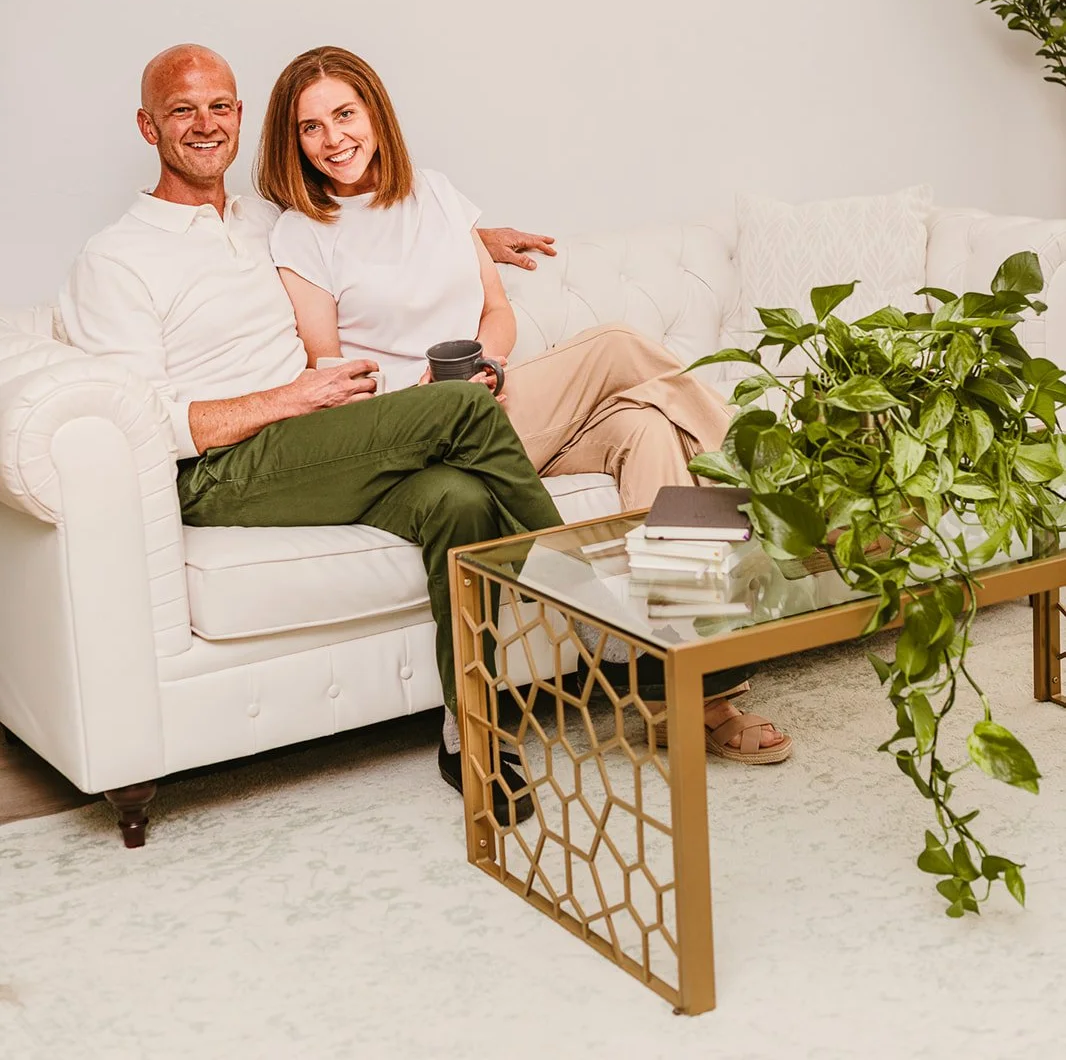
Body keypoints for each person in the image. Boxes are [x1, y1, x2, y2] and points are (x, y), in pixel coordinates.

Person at [59, 44, 571, 822]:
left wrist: (479, 237)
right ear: (147, 126)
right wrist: (287, 398)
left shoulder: (263, 221)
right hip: (221, 470)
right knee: (462, 405)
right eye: (181, 111)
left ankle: (472, 731)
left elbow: (363, 232)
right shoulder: (116, 258)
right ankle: (588, 597)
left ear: (240, 116)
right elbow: (142, 424)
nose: (204, 125)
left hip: (316, 444)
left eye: (219, 106)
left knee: (459, 500)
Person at [256, 45, 791, 765]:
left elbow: (496, 310)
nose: (333, 138)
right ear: (293, 142)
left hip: (499, 407)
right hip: (422, 431)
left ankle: (691, 692)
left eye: (344, 114)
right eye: (311, 127)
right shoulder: (301, 233)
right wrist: (422, 396)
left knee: (648, 428)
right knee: (617, 345)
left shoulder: (436, 194)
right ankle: (782, 477)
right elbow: (331, 370)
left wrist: (491, 363)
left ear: (375, 114)